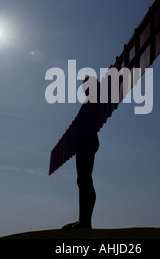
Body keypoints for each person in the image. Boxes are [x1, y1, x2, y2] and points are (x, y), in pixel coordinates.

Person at [62, 77, 101, 229]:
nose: (84, 88)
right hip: (83, 142)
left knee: (85, 179)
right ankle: (82, 220)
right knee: (82, 180)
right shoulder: (88, 102)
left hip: (88, 140)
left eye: (87, 85)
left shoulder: (96, 99)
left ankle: (86, 222)